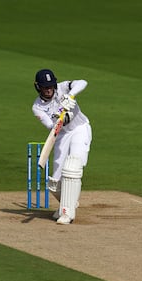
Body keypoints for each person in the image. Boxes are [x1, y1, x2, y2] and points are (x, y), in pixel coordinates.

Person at [32, 68, 92, 224]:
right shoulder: (37, 107)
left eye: (51, 86)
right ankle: (69, 203)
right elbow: (51, 126)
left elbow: (82, 82)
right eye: (45, 87)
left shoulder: (63, 87)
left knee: (73, 167)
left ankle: (67, 213)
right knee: (54, 183)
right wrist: (64, 117)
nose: (49, 89)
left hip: (80, 129)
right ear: (38, 87)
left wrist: (70, 95)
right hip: (61, 134)